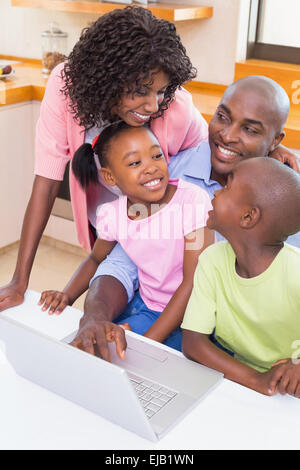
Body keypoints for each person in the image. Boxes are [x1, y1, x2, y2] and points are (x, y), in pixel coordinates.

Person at [69, 75, 300, 359]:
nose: (227, 135)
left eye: (250, 129)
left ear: (276, 140)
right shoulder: (166, 174)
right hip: (159, 320)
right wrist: (95, 315)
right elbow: (122, 260)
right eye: (222, 117)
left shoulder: (286, 199)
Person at [0, 6, 208, 312]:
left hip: (164, 240)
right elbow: (45, 183)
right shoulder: (64, 87)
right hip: (109, 229)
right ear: (107, 78)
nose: (153, 105)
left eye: (161, 91)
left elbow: (215, 147)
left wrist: (268, 150)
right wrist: (19, 281)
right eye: (140, 91)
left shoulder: (175, 107)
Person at [40, 122, 214, 352]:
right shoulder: (112, 215)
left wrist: (147, 342)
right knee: (93, 347)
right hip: (145, 306)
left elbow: (194, 282)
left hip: (191, 315)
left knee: (124, 354)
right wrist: (67, 294)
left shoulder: (192, 201)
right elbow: (96, 258)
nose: (151, 167)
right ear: (110, 177)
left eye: (156, 155)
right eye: (135, 162)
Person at [181, 157, 300, 398]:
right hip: (244, 382)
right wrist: (258, 380)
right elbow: (193, 343)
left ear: (248, 217)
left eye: (226, 187)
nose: (214, 194)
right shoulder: (212, 260)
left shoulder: (295, 270)